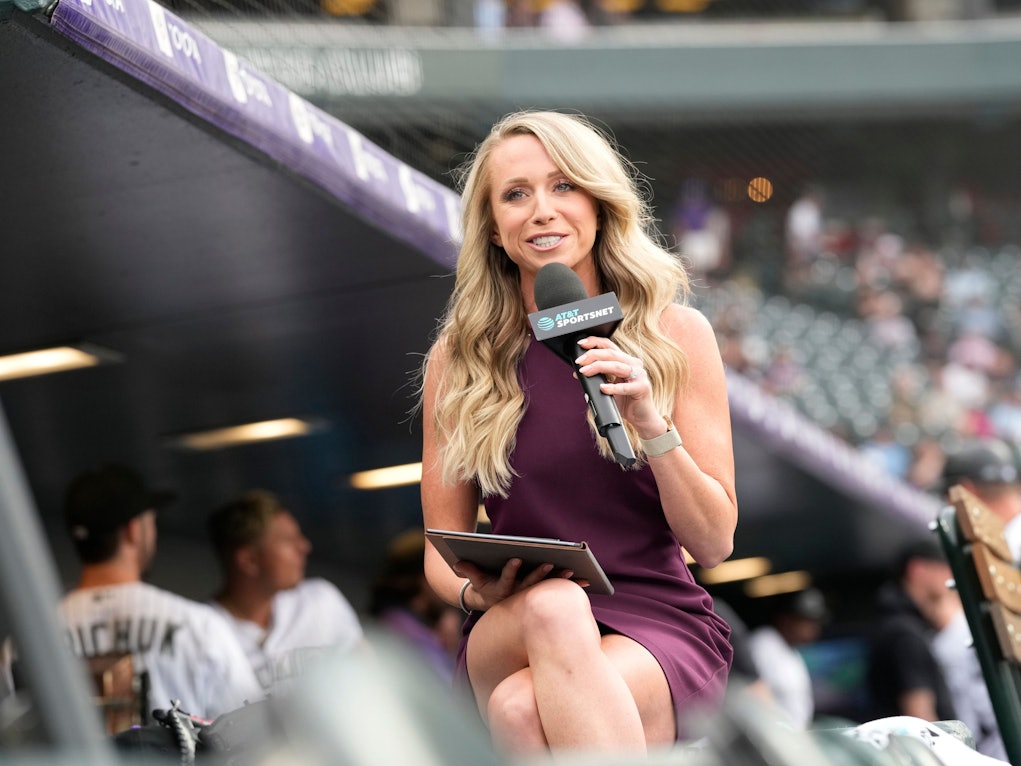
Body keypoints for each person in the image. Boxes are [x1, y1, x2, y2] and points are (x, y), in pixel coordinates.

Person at [418, 110, 736, 756]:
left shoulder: (676, 336)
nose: (541, 210)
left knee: (519, 710)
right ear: (494, 230)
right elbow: (435, 551)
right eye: (515, 194)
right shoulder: (459, 359)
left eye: (562, 186)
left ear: (598, 203)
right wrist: (476, 589)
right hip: (510, 618)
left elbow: (713, 542)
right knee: (555, 606)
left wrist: (650, 423)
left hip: (653, 617)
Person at [55, 464, 262, 720]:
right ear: (133, 530)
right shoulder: (199, 627)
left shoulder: (24, 642)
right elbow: (255, 736)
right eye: (150, 521)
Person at [206, 489, 364, 693]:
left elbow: (371, 679)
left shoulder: (320, 601)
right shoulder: (204, 632)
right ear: (249, 560)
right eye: (289, 540)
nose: (304, 547)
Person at [865, 538, 958, 723]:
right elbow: (921, 719)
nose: (950, 577)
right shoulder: (904, 632)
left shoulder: (897, 624)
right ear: (918, 570)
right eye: (943, 568)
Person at [367, 529, 462, 683]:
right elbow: (448, 695)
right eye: (448, 572)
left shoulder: (396, 622)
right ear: (425, 577)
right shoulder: (403, 631)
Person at [747, 588, 829, 729]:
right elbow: (750, 697)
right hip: (768, 739)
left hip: (792, 742)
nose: (814, 628)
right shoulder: (763, 644)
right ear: (786, 620)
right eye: (807, 621)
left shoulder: (792, 650)